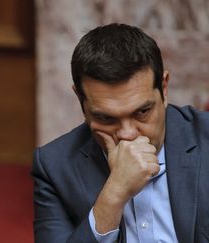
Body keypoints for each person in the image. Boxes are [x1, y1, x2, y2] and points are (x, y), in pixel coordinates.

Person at [32, 23, 209, 242]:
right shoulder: (55, 167)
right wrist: (114, 194)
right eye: (106, 118)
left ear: (163, 88)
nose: (128, 134)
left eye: (142, 112)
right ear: (80, 100)